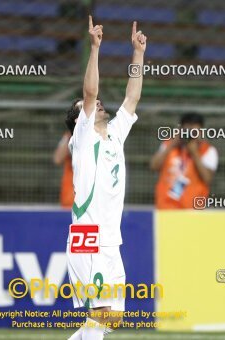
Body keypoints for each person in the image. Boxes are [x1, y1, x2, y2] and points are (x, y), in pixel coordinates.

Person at [65, 15, 146, 340]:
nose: (98, 103)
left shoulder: (114, 134)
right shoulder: (82, 136)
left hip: (110, 238)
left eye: (97, 104)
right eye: (87, 106)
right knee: (100, 316)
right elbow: (89, 90)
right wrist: (95, 48)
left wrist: (137, 55)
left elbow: (131, 98)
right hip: (89, 235)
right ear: (78, 120)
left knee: (110, 319)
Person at [150, 113, 218, 209]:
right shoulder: (169, 145)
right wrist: (171, 145)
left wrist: (194, 153)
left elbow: (207, 178)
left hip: (192, 210)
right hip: (165, 207)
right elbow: (154, 166)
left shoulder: (208, 150)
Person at [53, 131, 74, 208]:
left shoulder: (95, 135)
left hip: (87, 201)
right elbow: (57, 159)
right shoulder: (68, 136)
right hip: (68, 200)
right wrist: (69, 140)